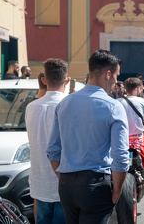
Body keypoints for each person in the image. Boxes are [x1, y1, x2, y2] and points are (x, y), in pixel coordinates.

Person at [46, 50, 130, 223]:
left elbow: (53, 150)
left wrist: (66, 178)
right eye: (116, 76)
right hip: (95, 184)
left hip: (67, 184)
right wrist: (117, 191)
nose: (116, 82)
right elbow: (120, 156)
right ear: (108, 74)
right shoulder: (113, 107)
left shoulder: (64, 103)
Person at [25, 58, 70, 224]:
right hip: (62, 180)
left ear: (44, 80)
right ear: (67, 80)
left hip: (39, 181)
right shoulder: (67, 105)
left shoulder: (31, 107)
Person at [118, 77, 144, 185]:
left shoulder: (117, 102)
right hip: (138, 140)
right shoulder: (142, 101)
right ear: (137, 89)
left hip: (121, 140)